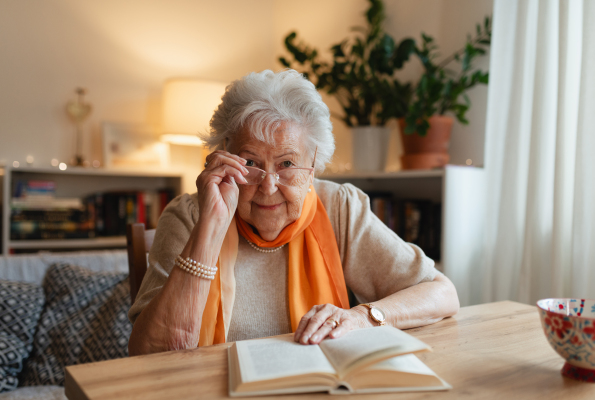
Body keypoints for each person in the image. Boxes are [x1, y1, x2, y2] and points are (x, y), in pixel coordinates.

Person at [128, 69, 459, 356]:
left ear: (313, 164)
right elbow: (148, 352)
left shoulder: (337, 207)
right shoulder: (189, 216)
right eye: (250, 163)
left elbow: (441, 293)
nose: (268, 185)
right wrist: (210, 226)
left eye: (287, 163)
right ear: (225, 156)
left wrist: (362, 317)